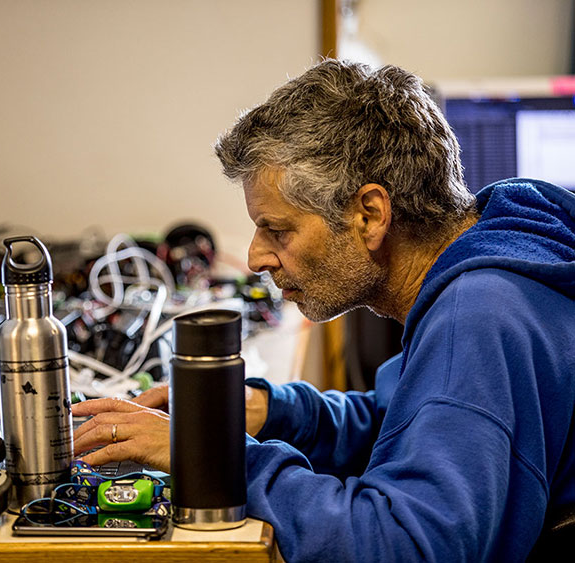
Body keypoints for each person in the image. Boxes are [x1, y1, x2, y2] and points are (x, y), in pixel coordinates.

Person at [72, 59, 575, 561]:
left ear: (369, 214)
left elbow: (404, 546)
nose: (255, 257)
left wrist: (208, 456)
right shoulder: (505, 243)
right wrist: (279, 414)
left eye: (278, 229)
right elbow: (410, 423)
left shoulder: (479, 318)